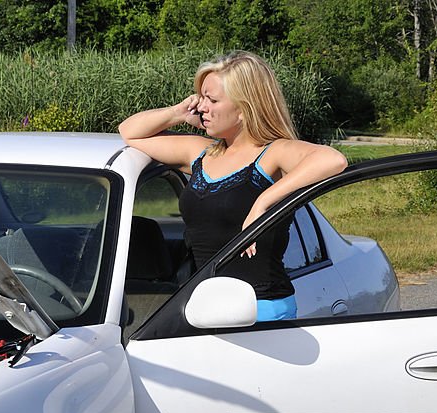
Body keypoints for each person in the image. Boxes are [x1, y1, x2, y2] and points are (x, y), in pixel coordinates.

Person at [118, 51, 348, 321]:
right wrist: (178, 113)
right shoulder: (201, 153)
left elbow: (333, 160)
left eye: (212, 100)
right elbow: (129, 131)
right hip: (204, 309)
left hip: (262, 311)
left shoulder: (273, 153)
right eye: (201, 97)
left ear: (243, 109)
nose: (201, 107)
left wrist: (262, 203)